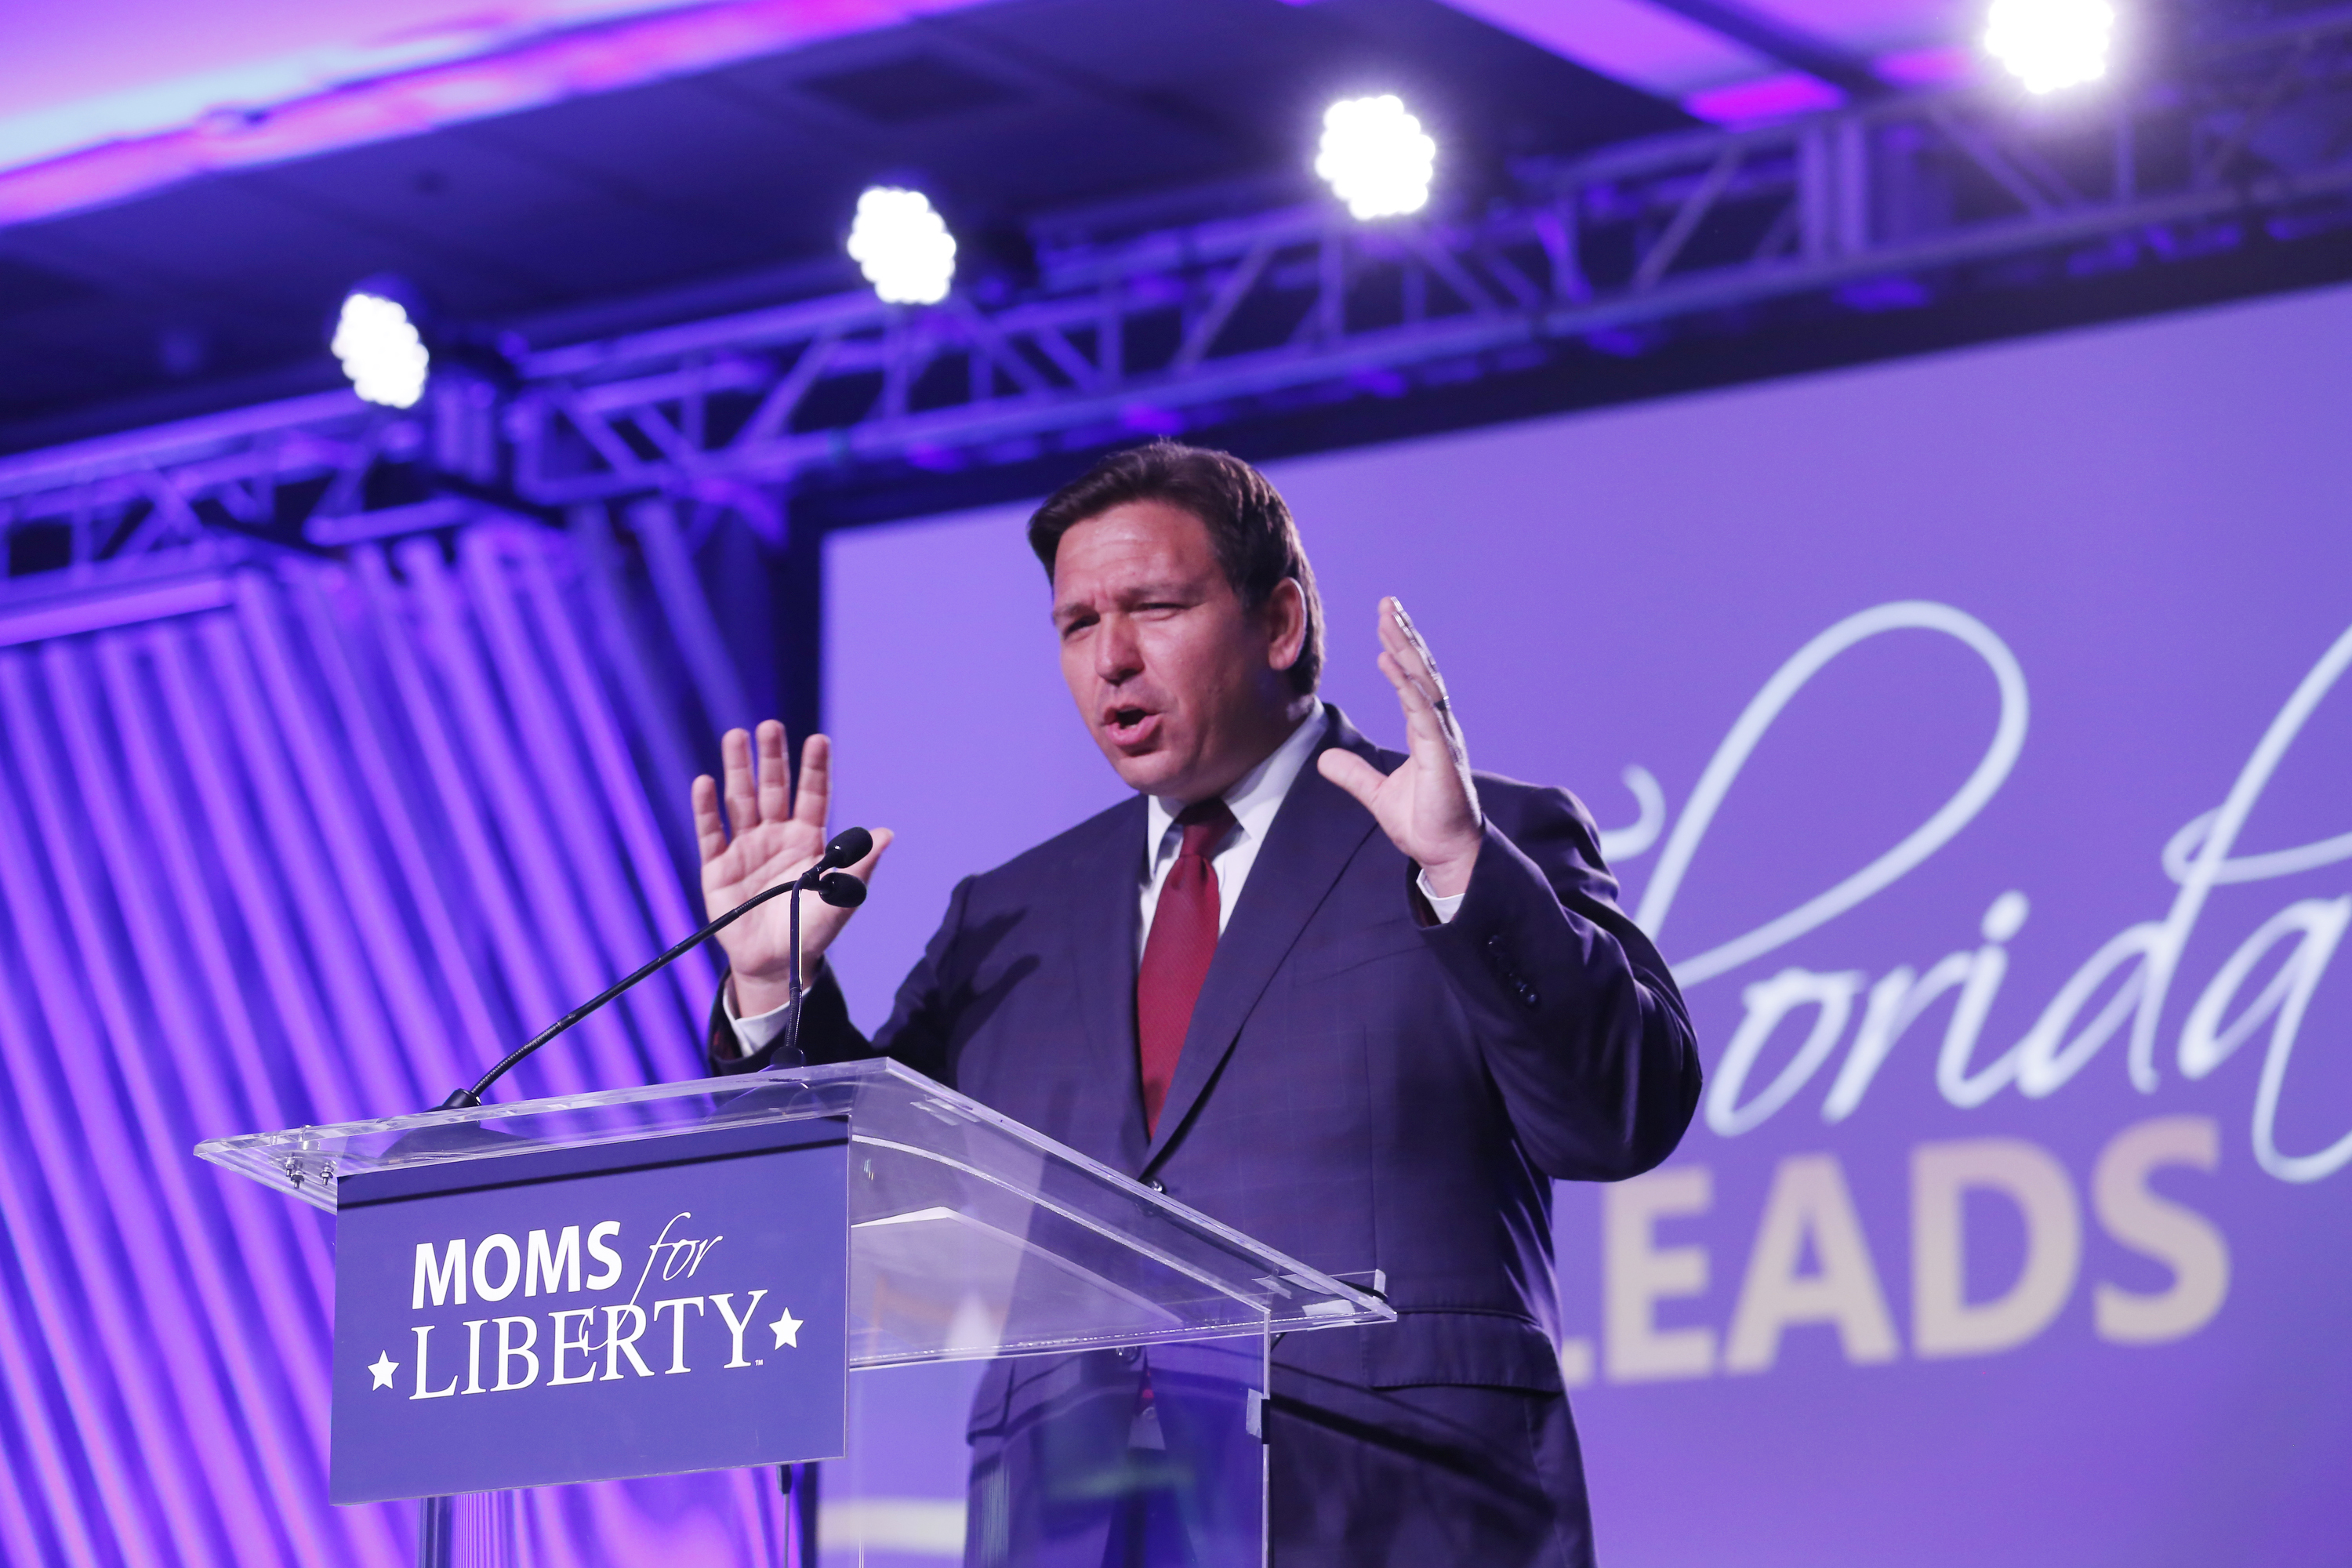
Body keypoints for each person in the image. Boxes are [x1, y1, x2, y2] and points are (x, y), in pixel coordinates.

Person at [689, 441, 1700, 1566]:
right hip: (1072, 1516)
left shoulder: (1467, 837)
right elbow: (854, 1214)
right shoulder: (1012, 913)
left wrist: (1464, 872)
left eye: (1155, 607)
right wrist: (773, 987)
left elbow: (1619, 1116)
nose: (1112, 659)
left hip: (1397, 1509)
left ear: (1278, 624)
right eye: (1078, 625)